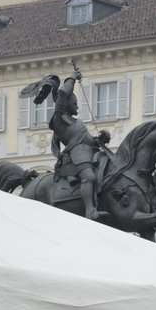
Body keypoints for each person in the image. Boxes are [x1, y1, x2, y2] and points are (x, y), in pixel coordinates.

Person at [38, 68, 111, 223]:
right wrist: (72, 77)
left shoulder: (76, 122)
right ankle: (90, 210)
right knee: (89, 177)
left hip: (89, 152)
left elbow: (88, 140)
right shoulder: (58, 120)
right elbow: (63, 93)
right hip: (76, 156)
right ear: (66, 104)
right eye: (75, 104)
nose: (77, 107)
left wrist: (100, 139)